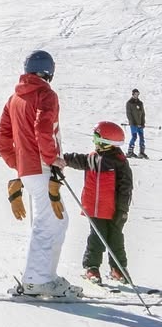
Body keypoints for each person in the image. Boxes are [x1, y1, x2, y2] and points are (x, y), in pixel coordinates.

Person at [0, 49, 81, 299]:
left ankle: (43, 277)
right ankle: (38, 280)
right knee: (51, 221)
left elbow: (2, 134)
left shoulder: (14, 98)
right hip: (42, 167)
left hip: (30, 169)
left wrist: (18, 164)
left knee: (52, 220)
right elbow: (43, 127)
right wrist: (51, 158)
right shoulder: (45, 94)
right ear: (48, 71)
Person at [62, 121, 134, 283]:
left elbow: (125, 189)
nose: (94, 142)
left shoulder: (120, 163)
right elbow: (77, 160)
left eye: (97, 138)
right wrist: (62, 159)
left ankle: (118, 269)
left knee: (115, 238)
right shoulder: (92, 158)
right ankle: (92, 268)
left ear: (107, 141)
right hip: (95, 209)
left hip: (114, 210)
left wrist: (122, 211)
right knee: (97, 237)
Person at [126, 89, 147, 159]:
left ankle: (142, 152)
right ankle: (130, 151)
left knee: (142, 138)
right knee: (134, 137)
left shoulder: (140, 103)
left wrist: (143, 123)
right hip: (134, 125)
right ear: (133, 94)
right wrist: (133, 123)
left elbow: (143, 114)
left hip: (140, 124)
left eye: (137, 94)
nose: (136, 95)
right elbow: (129, 114)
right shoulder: (129, 103)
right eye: (135, 94)